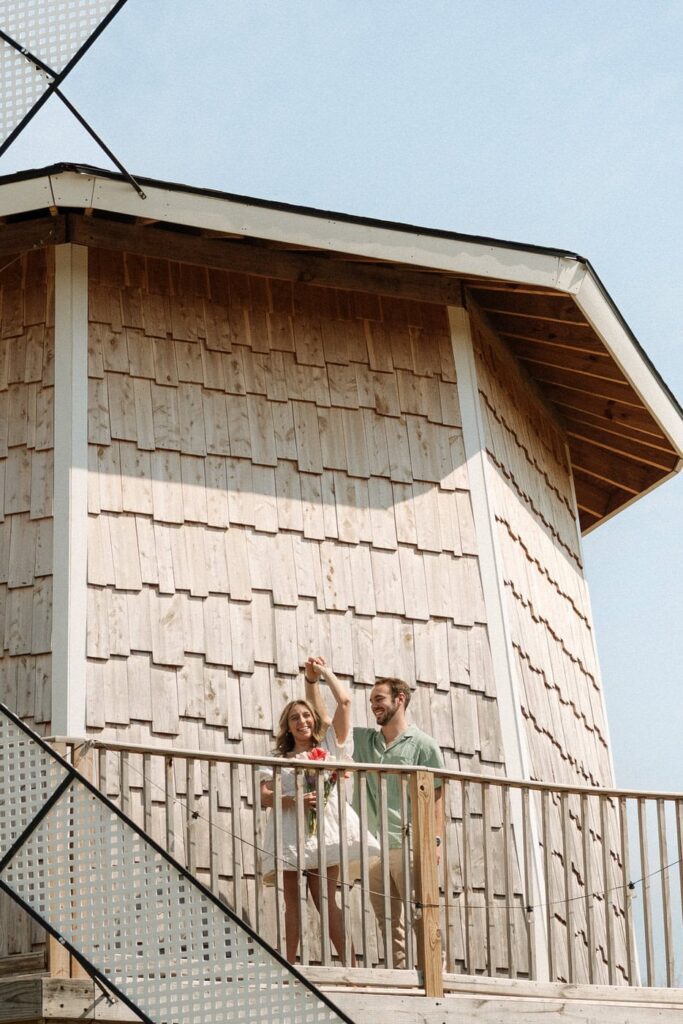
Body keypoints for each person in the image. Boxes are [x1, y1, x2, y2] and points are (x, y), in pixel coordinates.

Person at [259, 657, 378, 964]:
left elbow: (346, 700)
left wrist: (321, 673)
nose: (303, 722)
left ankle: (351, 964)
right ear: (288, 725)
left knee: (325, 900)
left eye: (306, 716)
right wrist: (293, 800)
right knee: (292, 902)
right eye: (295, 718)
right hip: (289, 831)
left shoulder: (328, 747)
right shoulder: (280, 759)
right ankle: (289, 963)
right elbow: (264, 797)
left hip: (325, 831)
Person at [352, 677, 444, 969]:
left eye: (379, 699)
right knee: (388, 920)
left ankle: (434, 975)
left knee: (421, 913)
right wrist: (314, 680)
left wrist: (435, 841)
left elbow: (437, 795)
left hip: (409, 843)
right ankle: (401, 975)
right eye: (371, 702)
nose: (374, 706)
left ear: (400, 699)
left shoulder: (424, 745)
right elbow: (326, 723)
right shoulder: (365, 741)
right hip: (373, 845)